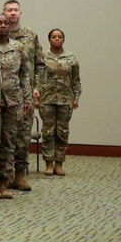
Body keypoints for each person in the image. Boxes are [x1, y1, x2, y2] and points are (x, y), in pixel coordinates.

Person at [0, 14, 31, 199]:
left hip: (14, 101)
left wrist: (27, 99)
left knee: (9, 143)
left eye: (6, 23)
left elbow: (25, 75)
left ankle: (5, 183)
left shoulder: (19, 47)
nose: (3, 26)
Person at [3, 0, 45, 191]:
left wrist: (37, 87)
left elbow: (40, 64)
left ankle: (19, 175)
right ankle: (3, 176)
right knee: (4, 138)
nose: (12, 13)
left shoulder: (30, 36)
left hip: (25, 95)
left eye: (15, 10)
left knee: (22, 137)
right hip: (4, 96)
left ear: (21, 13)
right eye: (9, 10)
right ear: (3, 13)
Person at [37, 29, 81, 176]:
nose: (57, 39)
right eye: (54, 37)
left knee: (62, 132)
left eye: (60, 37)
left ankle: (59, 163)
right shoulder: (42, 57)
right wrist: (36, 98)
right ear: (49, 40)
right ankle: (49, 163)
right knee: (48, 131)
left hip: (65, 99)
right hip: (47, 99)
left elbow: (75, 80)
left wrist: (76, 98)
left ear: (63, 39)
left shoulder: (71, 58)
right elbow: (37, 78)